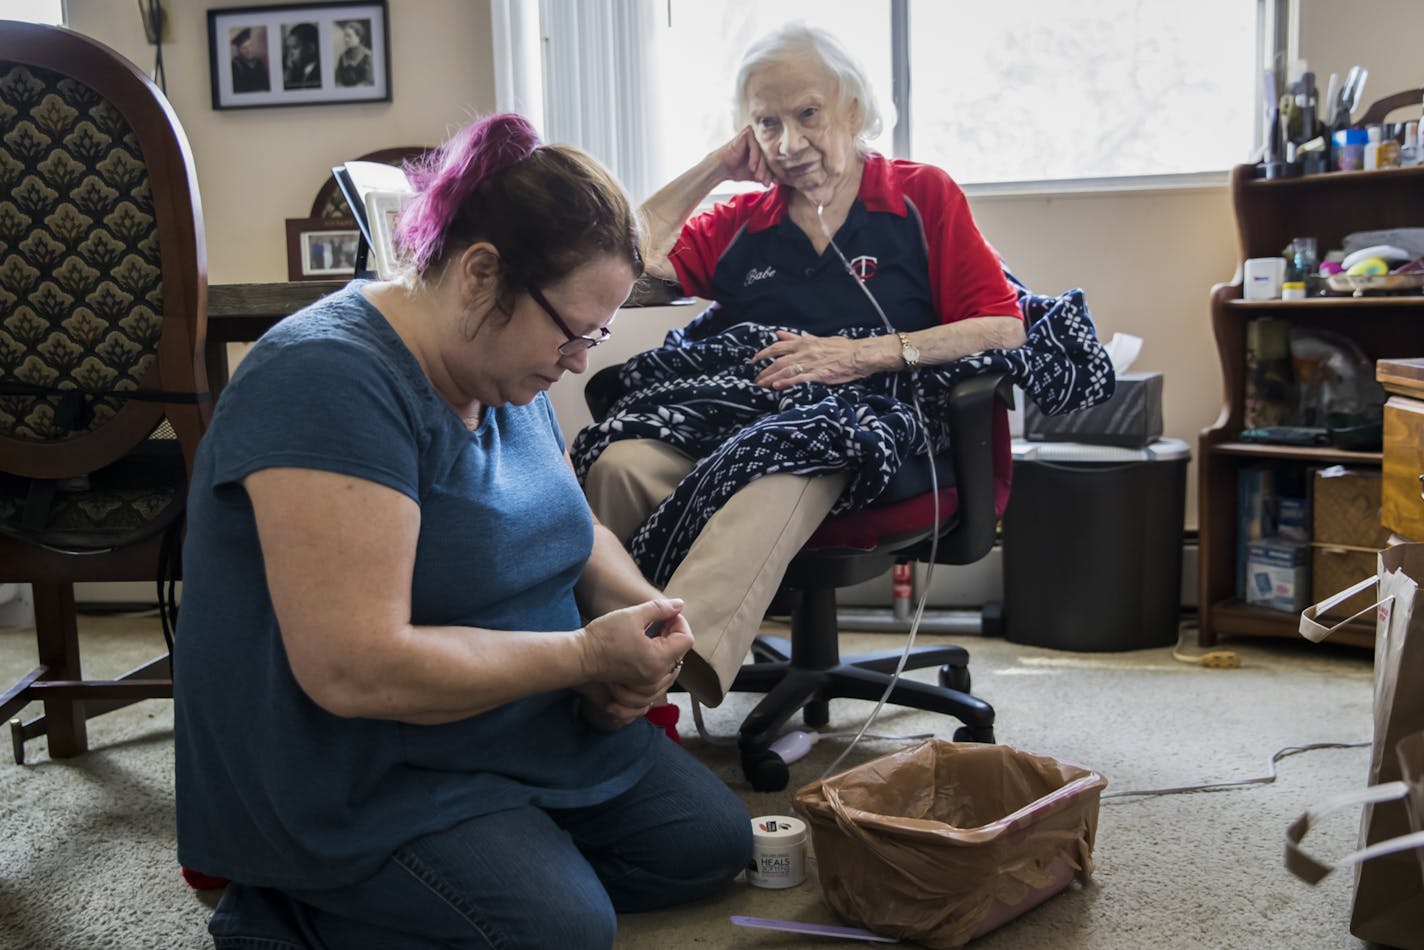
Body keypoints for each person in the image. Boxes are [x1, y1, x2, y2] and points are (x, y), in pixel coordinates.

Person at [174, 113, 752, 948]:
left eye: (596, 334)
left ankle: (492, 851)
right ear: (482, 275)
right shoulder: (325, 379)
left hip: (506, 716)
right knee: (559, 931)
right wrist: (588, 658)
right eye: (573, 331)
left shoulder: (498, 368)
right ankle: (282, 902)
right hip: (360, 761)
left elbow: (573, 531)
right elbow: (354, 669)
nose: (582, 359)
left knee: (706, 845)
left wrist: (653, 618)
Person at [583, 22, 1027, 708]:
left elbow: (1001, 323)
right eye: (767, 123)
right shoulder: (744, 221)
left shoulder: (919, 195)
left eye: (808, 115)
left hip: (883, 430)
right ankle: (589, 653)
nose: (789, 144)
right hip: (744, 421)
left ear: (853, 109)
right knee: (618, 465)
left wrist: (859, 356)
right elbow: (622, 254)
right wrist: (715, 168)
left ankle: (657, 676)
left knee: (786, 459)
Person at [333, 19, 375, 87]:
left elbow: (369, 82)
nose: (346, 39)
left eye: (349, 36)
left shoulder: (367, 56)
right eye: (345, 36)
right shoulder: (342, 57)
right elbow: (337, 80)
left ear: (358, 37)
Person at [282, 22, 321, 91]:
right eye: (288, 48)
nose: (290, 54)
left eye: (295, 48)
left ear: (310, 49)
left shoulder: (319, 75)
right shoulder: (293, 72)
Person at [230, 26, 268, 93]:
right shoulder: (235, 66)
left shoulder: (258, 62)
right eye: (244, 48)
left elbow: (266, 84)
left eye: (250, 45)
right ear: (238, 50)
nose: (249, 50)